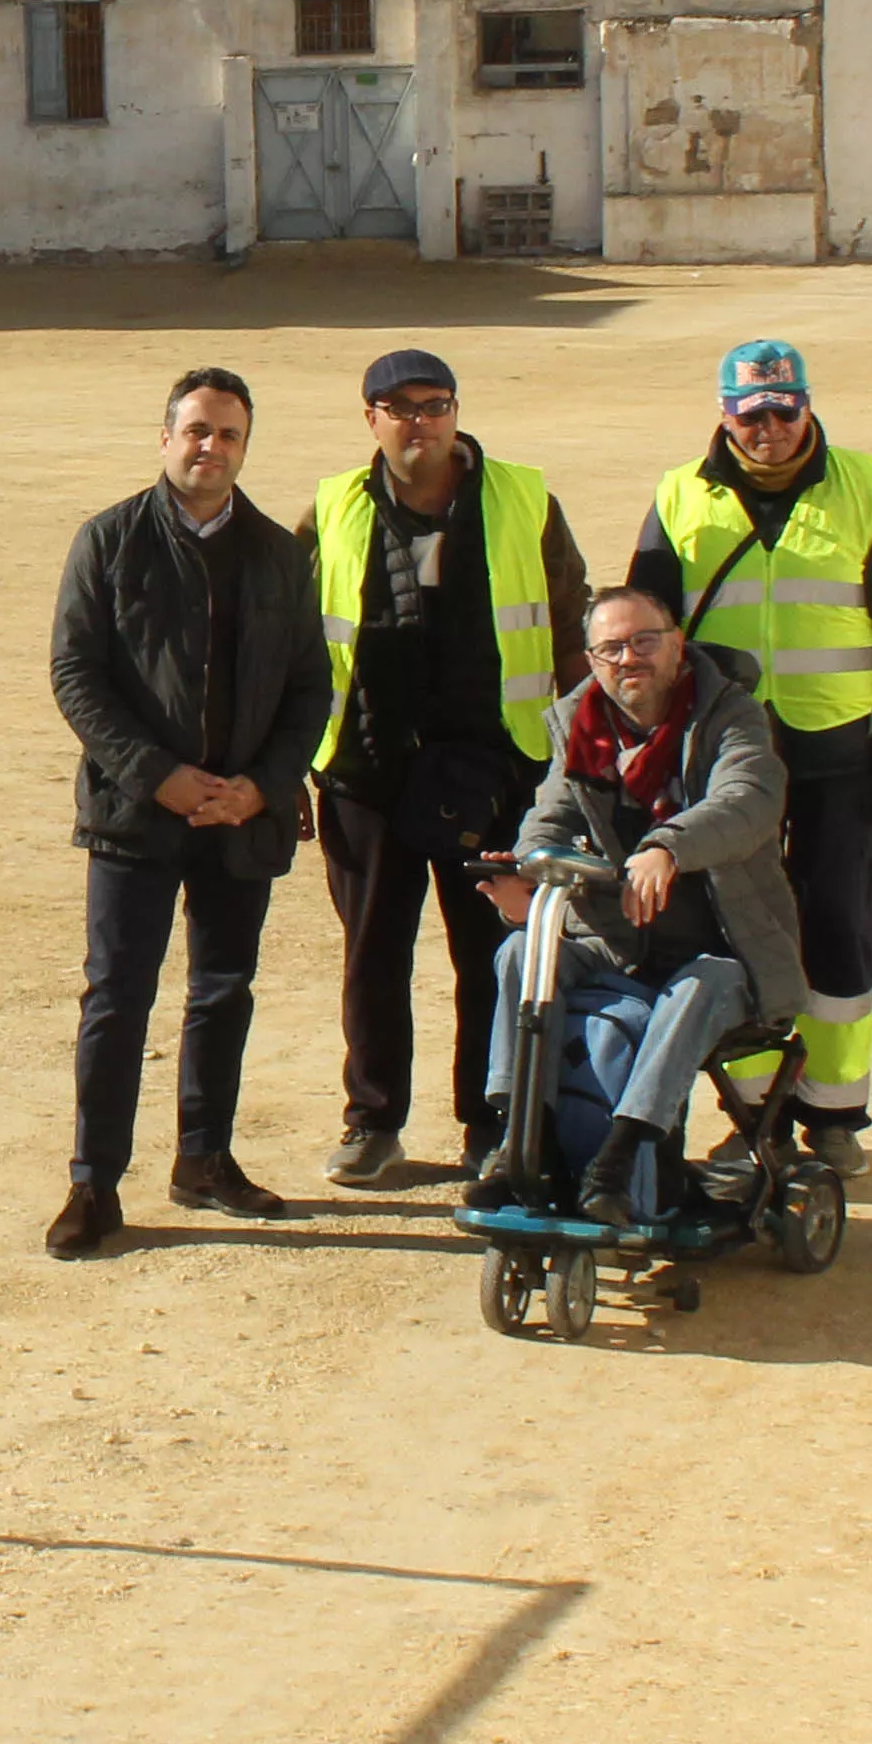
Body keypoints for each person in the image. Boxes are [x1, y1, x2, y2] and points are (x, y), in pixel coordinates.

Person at [43, 367, 331, 1257]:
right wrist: (156, 776)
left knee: (223, 990)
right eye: (197, 431)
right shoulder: (110, 541)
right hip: (138, 815)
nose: (211, 448)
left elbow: (310, 686)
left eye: (229, 435)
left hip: (242, 815)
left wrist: (267, 785)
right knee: (117, 996)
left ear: (246, 447)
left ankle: (204, 1160)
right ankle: (95, 1184)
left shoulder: (280, 554)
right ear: (165, 438)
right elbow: (76, 676)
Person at [309, 347, 596, 1186]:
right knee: (372, 954)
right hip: (368, 766)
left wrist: (574, 768)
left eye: (434, 404)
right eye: (399, 407)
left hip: (495, 766)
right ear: (370, 420)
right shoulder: (332, 508)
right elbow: (296, 638)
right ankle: (372, 1122)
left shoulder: (524, 499)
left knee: (495, 954)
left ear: (457, 414)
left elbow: (572, 629)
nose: (419, 422)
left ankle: (489, 1122)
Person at [626, 338, 872, 1166]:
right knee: (733, 928)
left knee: (841, 927)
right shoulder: (680, 496)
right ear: (725, 415)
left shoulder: (866, 487)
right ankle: (756, 1114)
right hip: (729, 756)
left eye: (785, 409)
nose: (770, 428)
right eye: (751, 413)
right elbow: (647, 630)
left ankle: (832, 1115)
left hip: (840, 752)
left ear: (808, 406)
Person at [486, 589, 811, 1226]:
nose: (628, 659)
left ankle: (620, 1157)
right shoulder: (578, 725)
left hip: (723, 949)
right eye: (611, 649)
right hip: (614, 946)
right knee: (521, 951)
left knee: (701, 982)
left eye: (644, 641)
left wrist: (668, 846)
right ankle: (520, 1140)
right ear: (591, 660)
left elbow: (748, 799)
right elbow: (547, 819)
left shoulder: (730, 715)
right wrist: (529, 877)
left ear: (677, 643)